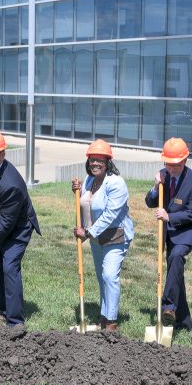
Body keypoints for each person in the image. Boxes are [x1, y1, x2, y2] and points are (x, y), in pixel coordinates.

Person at [144, 137, 192, 331]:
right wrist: (156, 187)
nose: (171, 169)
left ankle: (168, 307)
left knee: (176, 256)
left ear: (185, 161)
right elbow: (149, 202)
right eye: (168, 164)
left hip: (188, 231)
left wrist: (169, 216)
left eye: (176, 165)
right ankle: (185, 322)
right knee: (175, 271)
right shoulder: (163, 176)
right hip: (169, 232)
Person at [0, 130, 40, 328]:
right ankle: (4, 310)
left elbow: (7, 223)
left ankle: (15, 322)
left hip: (18, 228)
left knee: (9, 265)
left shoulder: (11, 184)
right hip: (0, 224)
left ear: (2, 154)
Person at [71, 139, 134, 332]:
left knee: (109, 276)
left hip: (116, 236)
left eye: (99, 160)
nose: (95, 163)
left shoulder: (116, 183)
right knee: (101, 278)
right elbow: (87, 204)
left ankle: (112, 323)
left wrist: (88, 233)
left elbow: (109, 215)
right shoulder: (90, 180)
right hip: (97, 238)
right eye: (92, 160)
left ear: (108, 162)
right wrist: (78, 192)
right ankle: (104, 318)